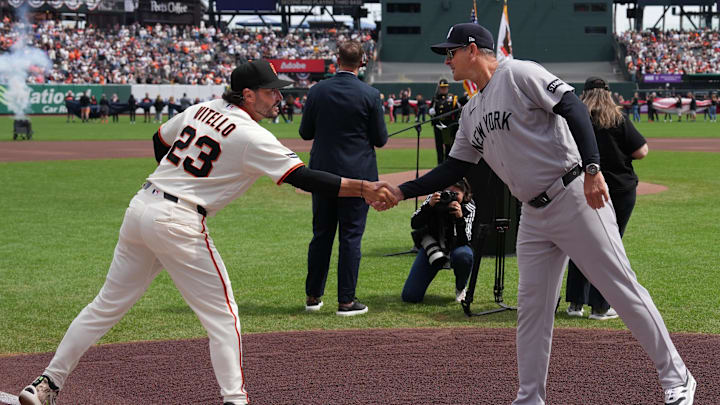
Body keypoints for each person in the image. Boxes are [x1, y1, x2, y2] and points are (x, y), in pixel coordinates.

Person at [17, 59, 397, 405]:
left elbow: (159, 140)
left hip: (141, 207)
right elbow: (304, 177)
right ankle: (236, 400)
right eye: (270, 91)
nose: (279, 97)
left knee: (104, 307)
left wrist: (179, 180)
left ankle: (47, 383)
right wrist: (364, 187)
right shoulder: (251, 134)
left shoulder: (203, 109)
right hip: (177, 221)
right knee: (224, 317)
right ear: (247, 94)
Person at [376, 23, 696, 405]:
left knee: (619, 288)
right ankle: (529, 398)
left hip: (574, 195)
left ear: (473, 49)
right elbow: (451, 168)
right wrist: (400, 191)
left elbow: (573, 107)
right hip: (534, 214)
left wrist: (593, 170)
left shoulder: (519, 73)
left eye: (452, 52)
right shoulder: (472, 111)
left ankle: (678, 378)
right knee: (531, 310)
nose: (447, 61)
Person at [299, 40, 389, 316]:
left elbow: (305, 133)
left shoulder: (317, 91)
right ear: (362, 62)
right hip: (358, 175)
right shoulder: (370, 94)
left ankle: (313, 297)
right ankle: (346, 301)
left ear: (336, 59)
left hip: (322, 173)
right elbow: (381, 139)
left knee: (321, 234)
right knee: (351, 237)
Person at [565, 77, 649, 321]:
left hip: (583, 186)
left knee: (580, 243)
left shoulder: (575, 119)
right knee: (610, 245)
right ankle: (600, 306)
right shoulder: (617, 118)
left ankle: (575, 303)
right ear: (608, 93)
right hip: (619, 188)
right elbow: (641, 151)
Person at [401, 178, 474, 303]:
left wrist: (459, 218)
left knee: (464, 255)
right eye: (447, 192)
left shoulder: (469, 206)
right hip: (433, 247)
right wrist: (429, 207)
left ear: (465, 194)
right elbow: (415, 223)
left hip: (457, 246)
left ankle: (461, 287)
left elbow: (465, 240)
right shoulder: (434, 199)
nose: (450, 197)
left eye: (456, 194)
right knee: (410, 297)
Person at [429, 79, 461, 164]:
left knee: (448, 147)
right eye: (442, 88)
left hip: (448, 126)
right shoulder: (435, 99)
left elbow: (458, 111)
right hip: (438, 125)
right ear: (439, 88)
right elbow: (431, 111)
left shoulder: (453, 99)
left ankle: (447, 164)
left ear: (448, 88)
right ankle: (439, 164)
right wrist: (431, 113)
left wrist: (454, 124)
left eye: (445, 88)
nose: (443, 89)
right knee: (439, 146)